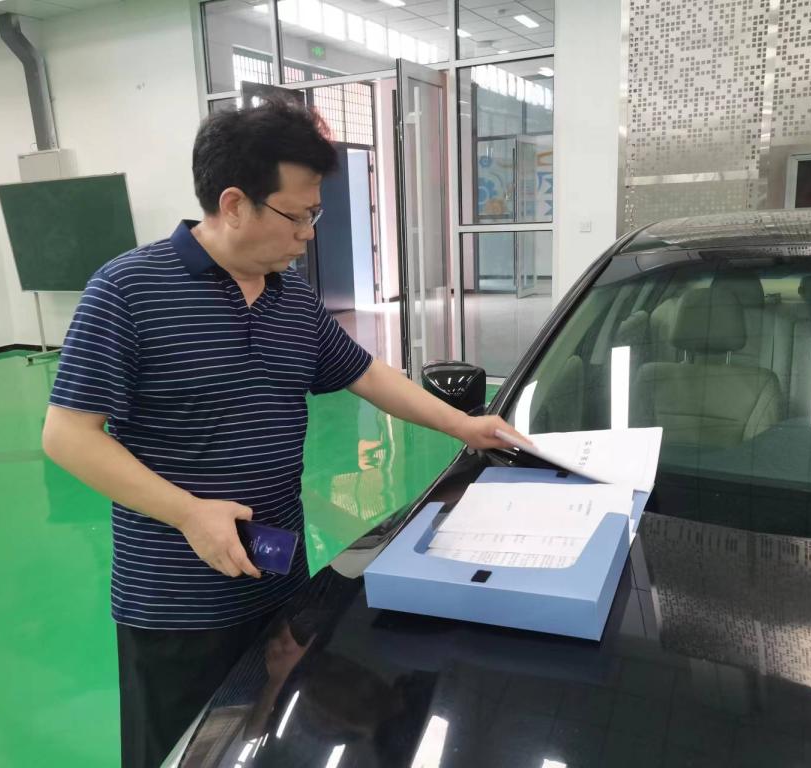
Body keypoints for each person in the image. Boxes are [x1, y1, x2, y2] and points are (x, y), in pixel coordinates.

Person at [41, 98, 522, 768]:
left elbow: (365, 373)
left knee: (265, 737)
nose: (307, 235)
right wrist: (189, 513)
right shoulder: (127, 290)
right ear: (234, 204)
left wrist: (464, 423)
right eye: (297, 216)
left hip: (277, 577)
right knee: (183, 752)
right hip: (178, 597)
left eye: (313, 215)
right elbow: (68, 435)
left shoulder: (291, 297)